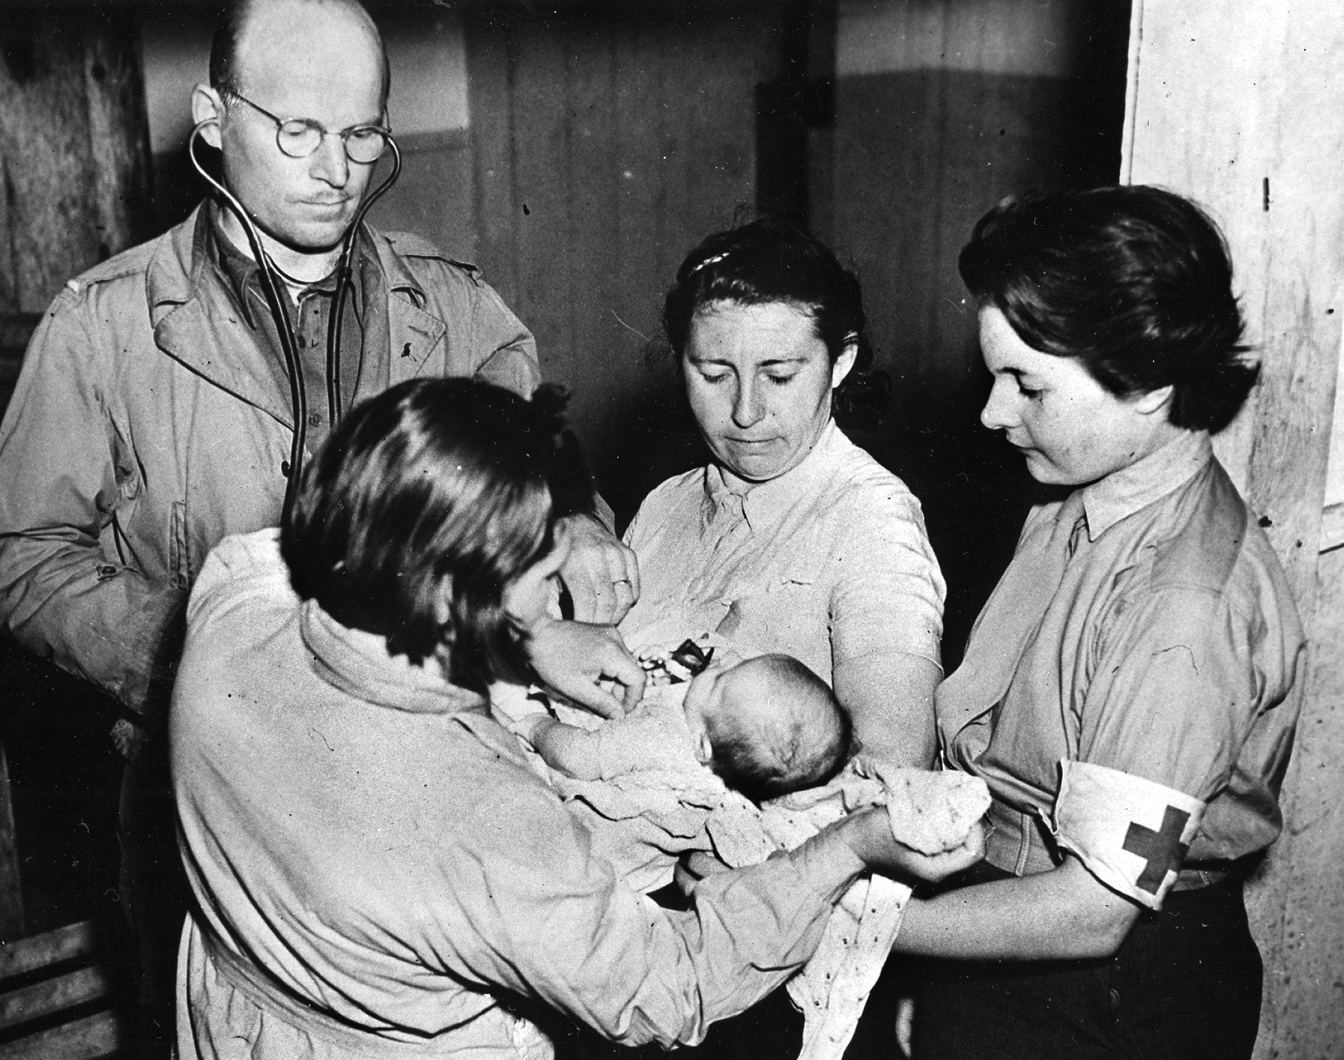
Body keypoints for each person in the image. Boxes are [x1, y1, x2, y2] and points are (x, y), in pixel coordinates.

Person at [0, 0, 635, 1047]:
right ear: (215, 116)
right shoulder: (103, 322)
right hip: (217, 797)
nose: (338, 169)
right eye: (300, 131)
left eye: (362, 134)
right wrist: (193, 654)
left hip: (426, 778)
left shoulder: (454, 306)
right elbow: (15, 553)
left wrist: (582, 523)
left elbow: (541, 474)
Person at [170, 377, 979, 1059]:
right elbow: (669, 991)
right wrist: (851, 844)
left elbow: (288, 553)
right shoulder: (486, 818)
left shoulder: (232, 603)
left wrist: (532, 639)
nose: (555, 590)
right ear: (466, 597)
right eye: (547, 574)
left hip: (228, 1015)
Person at [896, 185, 1306, 1060]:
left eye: (1027, 385)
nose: (992, 413)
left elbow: (1090, 914)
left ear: (1150, 382)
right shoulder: (1080, 492)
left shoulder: (1180, 609)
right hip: (1004, 927)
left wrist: (856, 926)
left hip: (1106, 990)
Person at [619, 217, 945, 769]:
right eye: (714, 374)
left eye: (780, 375)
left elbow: (894, 761)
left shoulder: (870, 518)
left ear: (840, 361)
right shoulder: (663, 504)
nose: (746, 413)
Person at [523, 648, 852, 804]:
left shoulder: (662, 737)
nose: (722, 664)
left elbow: (579, 758)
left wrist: (537, 726)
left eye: (719, 679)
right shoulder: (714, 730)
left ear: (701, 746)